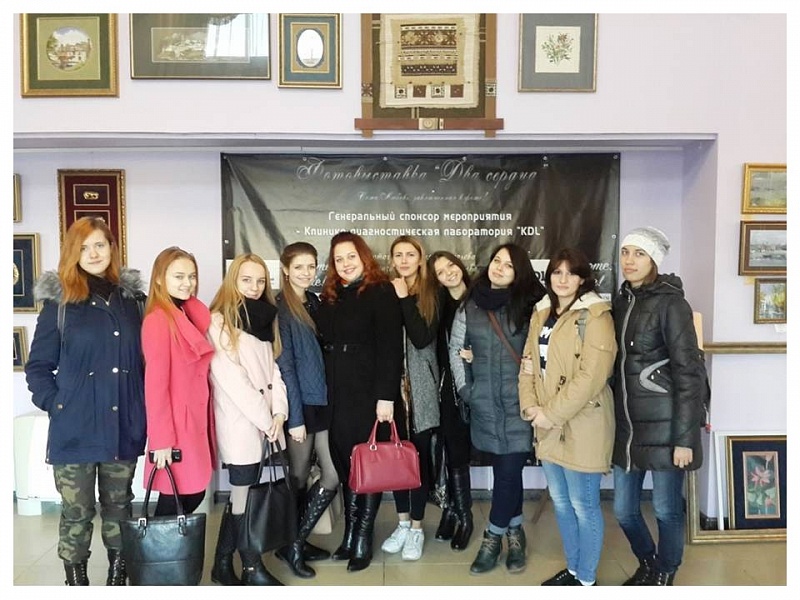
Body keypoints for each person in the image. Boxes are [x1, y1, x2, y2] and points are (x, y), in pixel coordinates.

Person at [25, 216, 147, 586]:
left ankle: (117, 577)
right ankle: (76, 583)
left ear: (112, 248)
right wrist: (57, 403)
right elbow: (38, 367)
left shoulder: (133, 302)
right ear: (72, 253)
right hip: (75, 428)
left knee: (119, 506)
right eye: (83, 247)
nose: (93, 253)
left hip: (122, 423)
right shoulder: (60, 303)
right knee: (77, 512)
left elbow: (148, 362)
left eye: (99, 245)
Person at [612, 227, 708, 586]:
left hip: (668, 428)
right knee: (623, 510)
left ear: (654, 260)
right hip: (629, 428)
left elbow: (689, 373)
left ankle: (666, 572)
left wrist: (685, 439)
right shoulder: (621, 301)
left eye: (639, 253)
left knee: (667, 509)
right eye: (625, 252)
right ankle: (649, 562)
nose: (629, 261)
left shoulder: (672, 304)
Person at [518, 248, 617, 586]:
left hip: (584, 422)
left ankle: (586, 579)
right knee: (561, 502)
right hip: (545, 422)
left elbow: (592, 377)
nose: (563, 279)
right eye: (557, 272)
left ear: (582, 278)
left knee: (583, 504)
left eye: (570, 273)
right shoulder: (541, 312)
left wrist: (550, 414)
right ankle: (574, 568)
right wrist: (530, 407)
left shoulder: (596, 316)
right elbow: (528, 365)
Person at [450, 243, 546, 575]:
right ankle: (515, 532)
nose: (499, 267)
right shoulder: (470, 304)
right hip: (485, 403)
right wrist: (467, 391)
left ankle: (492, 537)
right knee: (507, 473)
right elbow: (456, 349)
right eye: (496, 261)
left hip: (521, 405)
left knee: (507, 471)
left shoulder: (532, 305)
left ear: (519, 273)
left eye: (508, 265)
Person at [314, 231, 404, 573]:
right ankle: (350, 535)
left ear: (364, 257)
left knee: (368, 464)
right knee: (345, 464)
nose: (345, 264)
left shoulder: (380, 291)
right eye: (338, 259)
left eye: (351, 256)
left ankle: (363, 537)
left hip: (368, 393)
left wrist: (386, 397)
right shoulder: (331, 296)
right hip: (336, 393)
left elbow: (391, 348)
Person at [206, 253, 288, 586]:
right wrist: (266, 420)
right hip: (240, 424)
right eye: (246, 280)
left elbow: (274, 372)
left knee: (243, 495)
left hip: (267, 423)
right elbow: (233, 381)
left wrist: (279, 412)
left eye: (260, 281)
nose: (254, 287)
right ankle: (252, 569)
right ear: (233, 281)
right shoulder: (218, 321)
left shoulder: (266, 318)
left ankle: (222, 563)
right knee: (242, 494)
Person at [274, 242, 339, 579]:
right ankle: (292, 543)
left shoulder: (314, 302)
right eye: (299, 266)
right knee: (297, 478)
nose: (306, 272)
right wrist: (295, 419)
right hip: (300, 406)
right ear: (286, 269)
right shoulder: (281, 308)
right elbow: (284, 366)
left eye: (311, 266)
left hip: (323, 400)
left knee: (332, 473)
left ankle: (295, 541)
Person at [141, 247, 214, 520]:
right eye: (179, 276)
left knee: (190, 492)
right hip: (176, 426)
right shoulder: (158, 320)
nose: (188, 283)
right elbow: (155, 385)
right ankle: (153, 546)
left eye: (192, 276)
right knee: (179, 495)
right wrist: (161, 440)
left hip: (193, 420)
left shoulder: (187, 313)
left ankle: (160, 546)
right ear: (160, 278)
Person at [379, 236, 440, 561]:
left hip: (422, 391)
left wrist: (404, 299)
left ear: (420, 258)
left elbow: (421, 338)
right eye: (398, 255)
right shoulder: (384, 291)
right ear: (391, 259)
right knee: (395, 459)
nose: (404, 260)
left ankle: (417, 527)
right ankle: (402, 523)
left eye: (410, 255)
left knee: (417, 460)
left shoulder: (431, 293)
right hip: (391, 391)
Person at [427, 250, 474, 551]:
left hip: (476, 385)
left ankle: (465, 517)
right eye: (441, 272)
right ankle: (453, 510)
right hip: (447, 387)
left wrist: (478, 356)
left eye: (451, 266)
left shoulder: (479, 299)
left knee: (461, 450)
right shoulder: (439, 305)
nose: (449, 273)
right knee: (448, 448)